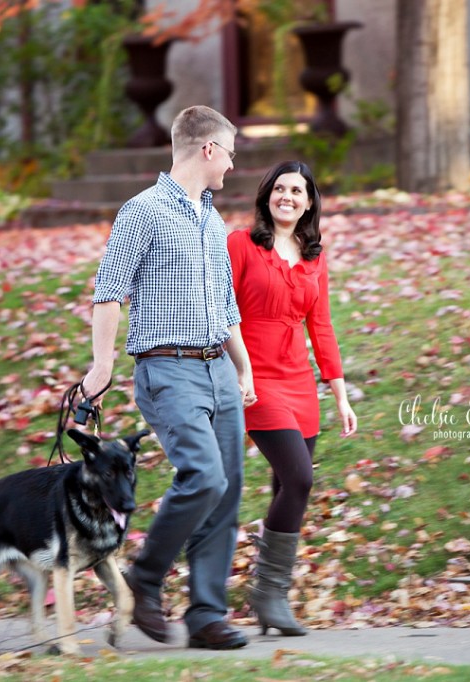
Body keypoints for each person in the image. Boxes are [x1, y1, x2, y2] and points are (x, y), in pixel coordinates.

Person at [82, 105, 256, 651]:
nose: (231, 165)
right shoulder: (144, 211)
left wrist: (244, 367)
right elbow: (110, 290)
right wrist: (103, 363)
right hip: (169, 368)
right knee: (203, 476)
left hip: (219, 369)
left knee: (225, 492)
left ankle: (206, 614)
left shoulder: (210, 218)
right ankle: (145, 578)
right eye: (229, 153)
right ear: (208, 150)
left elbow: (224, 306)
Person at [227, 160, 358, 636]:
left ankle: (269, 602)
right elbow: (224, 311)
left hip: (299, 382)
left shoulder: (313, 254)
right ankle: (268, 594)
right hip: (255, 379)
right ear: (267, 196)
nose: (287, 196)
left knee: (287, 488)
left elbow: (320, 326)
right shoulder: (241, 244)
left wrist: (339, 395)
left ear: (308, 202)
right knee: (299, 480)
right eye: (279, 188)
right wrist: (239, 370)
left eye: (296, 190)